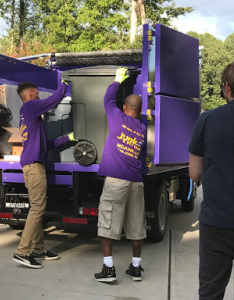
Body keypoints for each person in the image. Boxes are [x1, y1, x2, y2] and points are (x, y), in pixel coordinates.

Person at [13, 78, 75, 269]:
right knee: (38, 208)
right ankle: (22, 252)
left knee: (36, 208)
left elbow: (46, 144)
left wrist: (69, 138)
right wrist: (65, 83)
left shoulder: (30, 116)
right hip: (34, 166)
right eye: (37, 93)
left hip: (33, 164)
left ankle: (38, 249)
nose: (39, 96)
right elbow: (54, 100)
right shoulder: (30, 107)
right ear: (30, 94)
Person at [93, 68, 146, 282]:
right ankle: (135, 268)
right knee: (136, 226)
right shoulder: (142, 128)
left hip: (116, 181)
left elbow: (107, 99)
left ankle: (108, 269)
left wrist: (117, 80)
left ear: (125, 108)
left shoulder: (117, 118)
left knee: (107, 224)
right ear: (139, 110)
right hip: (136, 181)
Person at [188, 62, 234, 300]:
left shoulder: (207, 120)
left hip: (217, 223)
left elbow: (194, 173)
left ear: (226, 88)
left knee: (210, 292)